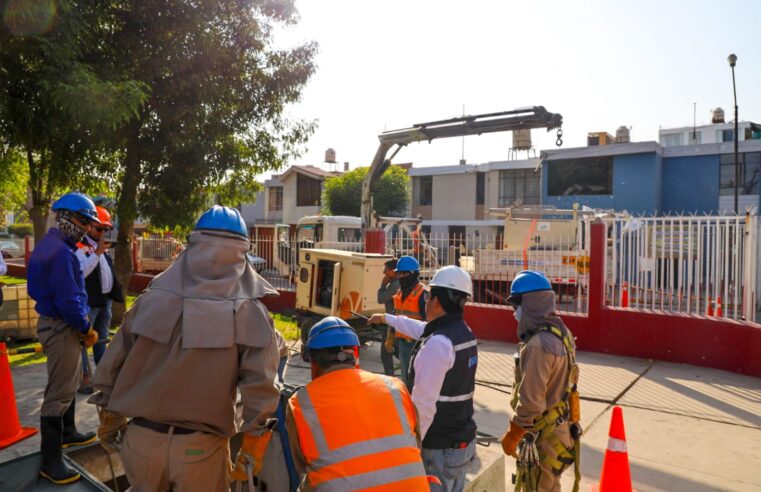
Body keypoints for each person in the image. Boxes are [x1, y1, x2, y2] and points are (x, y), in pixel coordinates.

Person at [89, 205, 281, 492]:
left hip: (141, 443)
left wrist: (109, 414)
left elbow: (112, 362)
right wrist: (253, 443)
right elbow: (262, 386)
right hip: (199, 451)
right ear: (242, 251)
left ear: (192, 245)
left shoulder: (152, 298)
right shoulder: (249, 312)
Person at [287, 316, 430, 491]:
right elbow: (415, 443)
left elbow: (302, 464)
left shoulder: (300, 403)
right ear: (354, 355)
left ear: (313, 361)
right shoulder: (395, 386)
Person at [369, 265, 477, 491]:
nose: (425, 301)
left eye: (428, 296)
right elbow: (421, 328)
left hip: (439, 446)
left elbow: (424, 406)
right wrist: (386, 319)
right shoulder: (462, 332)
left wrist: (411, 447)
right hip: (460, 440)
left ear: (436, 301)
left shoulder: (438, 345)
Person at [27, 192, 101, 485]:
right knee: (59, 392)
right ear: (66, 218)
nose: (86, 228)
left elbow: (38, 289)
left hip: (57, 323)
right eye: (83, 221)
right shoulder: (61, 253)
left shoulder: (53, 247)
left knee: (68, 383)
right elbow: (69, 300)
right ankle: (50, 461)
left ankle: (68, 434)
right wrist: (84, 327)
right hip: (62, 326)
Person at [500, 271, 581, 492]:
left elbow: (531, 402)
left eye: (517, 305)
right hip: (562, 429)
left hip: (547, 436)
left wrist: (513, 435)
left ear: (531, 303)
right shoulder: (561, 333)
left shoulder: (538, 345)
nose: (515, 312)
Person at [76, 206, 124, 394]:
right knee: (84, 340)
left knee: (101, 339)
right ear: (88, 226)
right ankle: (84, 378)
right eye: (99, 229)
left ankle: (103, 378)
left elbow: (105, 271)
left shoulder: (100, 246)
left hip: (104, 300)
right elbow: (81, 273)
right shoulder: (80, 246)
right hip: (89, 301)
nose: (103, 233)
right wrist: (96, 253)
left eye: (106, 229)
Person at [392, 255, 426, 387]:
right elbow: (396, 316)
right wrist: (391, 336)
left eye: (404, 273)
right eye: (399, 273)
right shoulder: (400, 292)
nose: (400, 276)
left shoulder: (422, 294)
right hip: (403, 344)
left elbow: (428, 324)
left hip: (417, 345)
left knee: (418, 380)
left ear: (413, 274)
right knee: (406, 380)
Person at [377, 258, 400, 376]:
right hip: (394, 324)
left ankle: (391, 378)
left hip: (394, 326)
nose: (384, 273)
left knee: (387, 353)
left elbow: (381, 299)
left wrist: (382, 285)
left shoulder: (394, 285)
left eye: (386, 270)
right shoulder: (396, 283)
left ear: (392, 271)